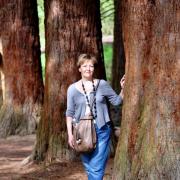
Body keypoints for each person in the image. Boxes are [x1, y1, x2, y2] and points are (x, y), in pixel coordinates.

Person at [66, 54, 125, 180]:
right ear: (79, 68)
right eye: (85, 66)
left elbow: (116, 101)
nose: (88, 68)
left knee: (96, 167)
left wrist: (123, 89)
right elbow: (69, 113)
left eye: (91, 66)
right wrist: (70, 134)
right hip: (81, 132)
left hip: (102, 129)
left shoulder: (102, 84)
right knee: (88, 166)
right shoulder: (72, 89)